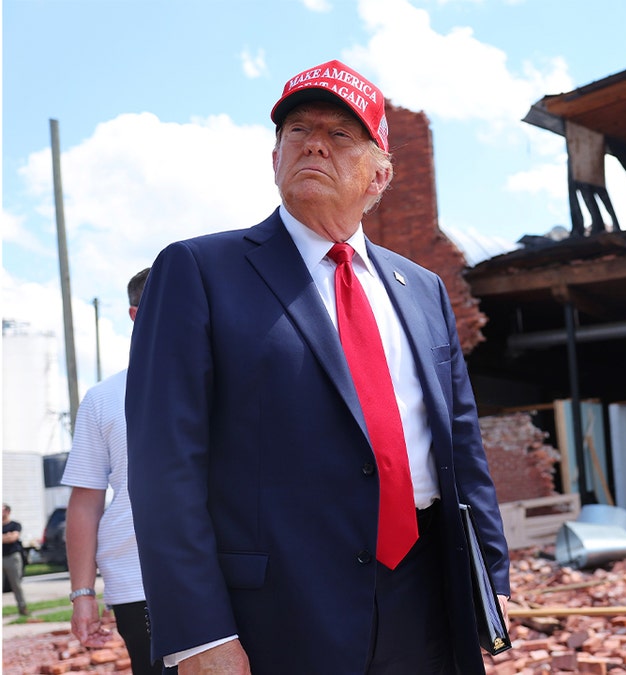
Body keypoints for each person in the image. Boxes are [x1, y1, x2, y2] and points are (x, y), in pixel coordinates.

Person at [126, 59, 509, 674]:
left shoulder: (422, 288)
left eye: (340, 135)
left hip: (427, 597)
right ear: (274, 157)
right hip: (279, 614)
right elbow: (163, 468)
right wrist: (199, 634)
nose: (314, 144)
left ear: (379, 174)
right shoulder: (199, 273)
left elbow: (461, 445)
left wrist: (489, 579)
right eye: (298, 130)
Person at [63, 268, 171, 674]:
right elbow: (86, 500)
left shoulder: (233, 379)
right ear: (135, 314)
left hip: (232, 572)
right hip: (138, 581)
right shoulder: (103, 398)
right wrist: (82, 593)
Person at [2, 504, 29, 616]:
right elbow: (8, 538)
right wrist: (5, 537)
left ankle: (22, 608)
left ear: (7, 511)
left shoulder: (15, 525)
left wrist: (7, 537)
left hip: (12, 557)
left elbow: (13, 537)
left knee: (16, 584)